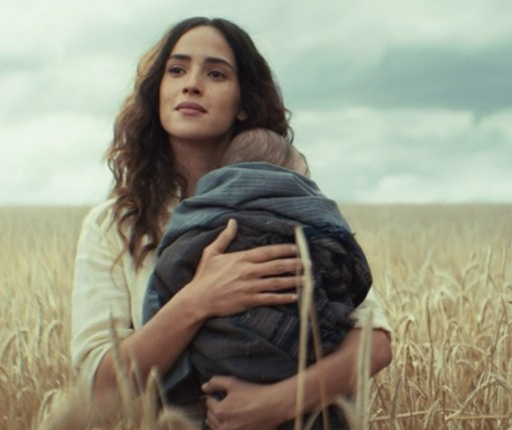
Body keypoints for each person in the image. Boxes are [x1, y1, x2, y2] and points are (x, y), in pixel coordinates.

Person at [69, 17, 392, 430]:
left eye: (216, 73)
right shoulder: (115, 225)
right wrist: (199, 298)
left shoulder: (288, 201)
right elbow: (100, 387)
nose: (192, 84)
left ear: (243, 102)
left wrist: (276, 403)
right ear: (158, 92)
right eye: (177, 70)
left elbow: (375, 341)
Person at [142, 128, 370, 428]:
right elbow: (351, 279)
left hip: (215, 378)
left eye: (215, 76)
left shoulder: (191, 229)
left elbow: (162, 286)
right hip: (301, 360)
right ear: (292, 179)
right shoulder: (311, 229)